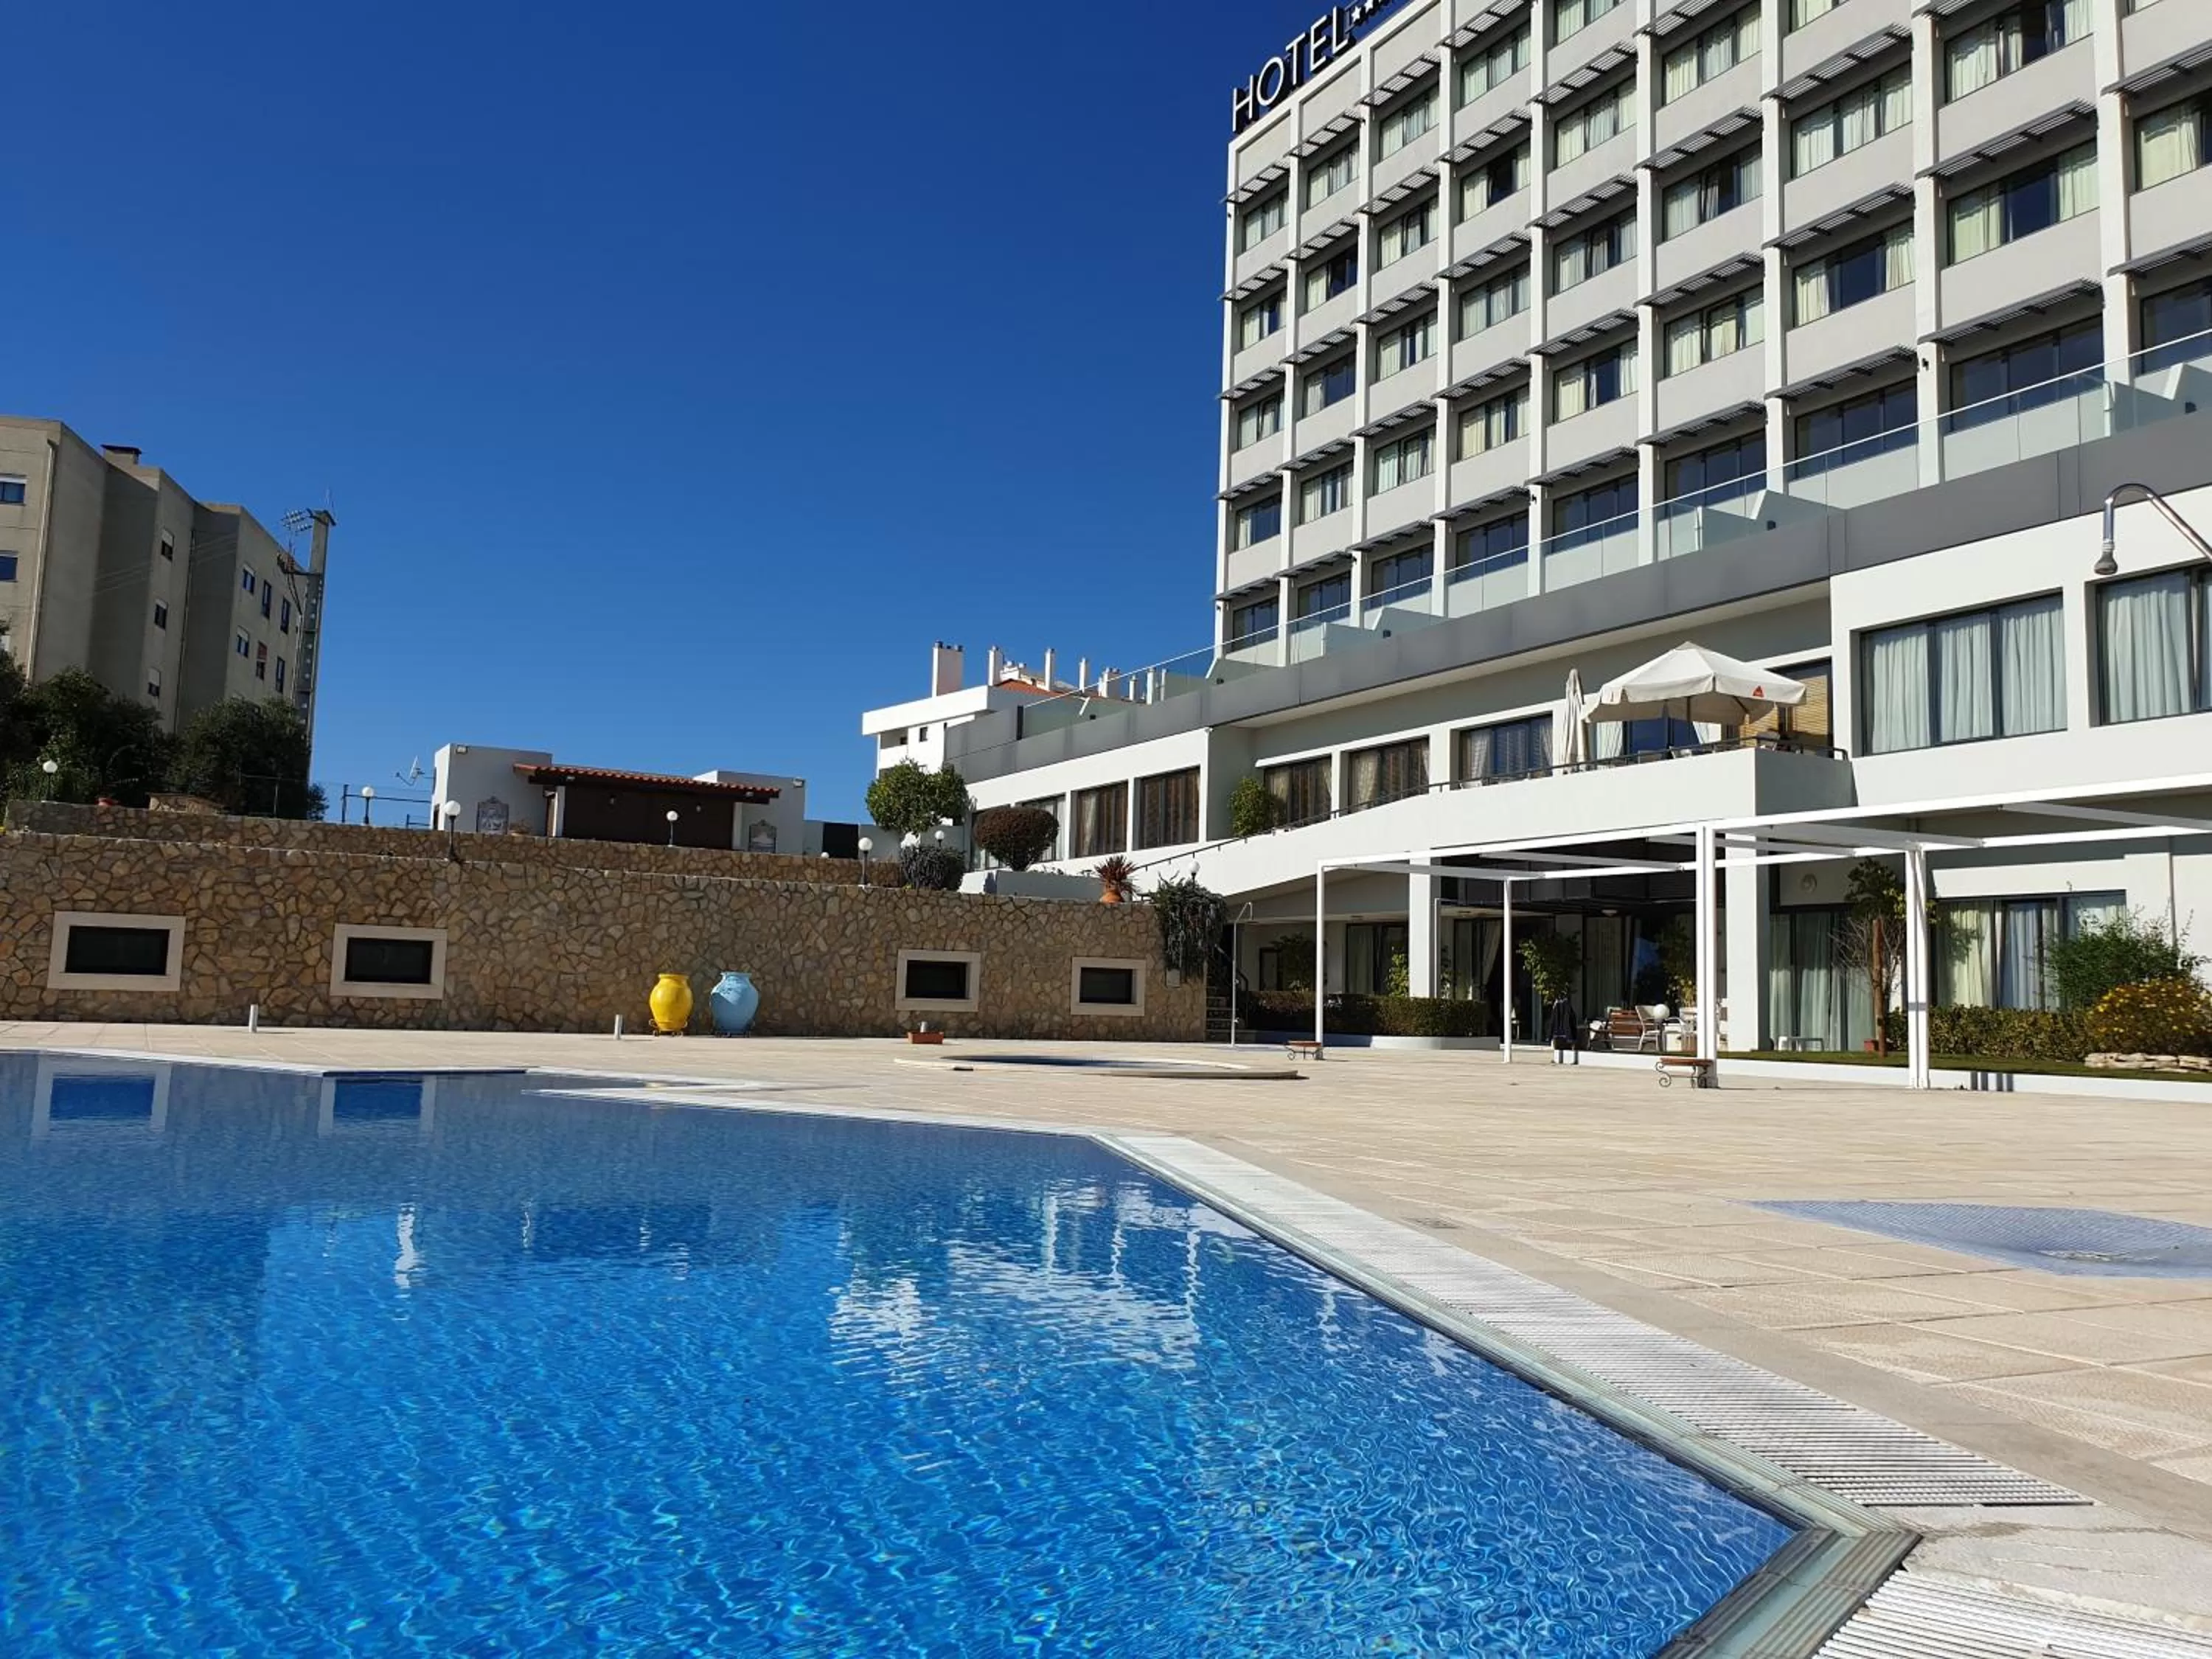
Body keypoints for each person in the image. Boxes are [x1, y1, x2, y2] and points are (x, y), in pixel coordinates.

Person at [1546, 992, 1580, 1065]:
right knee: (1570, 1043)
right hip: (1565, 1028)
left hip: (1560, 1029)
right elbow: (1572, 1018)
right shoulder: (1566, 1006)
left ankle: (1559, 1059)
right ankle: (1571, 1059)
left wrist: (1550, 1035)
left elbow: (1553, 1021)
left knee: (1560, 1044)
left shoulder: (1559, 1006)